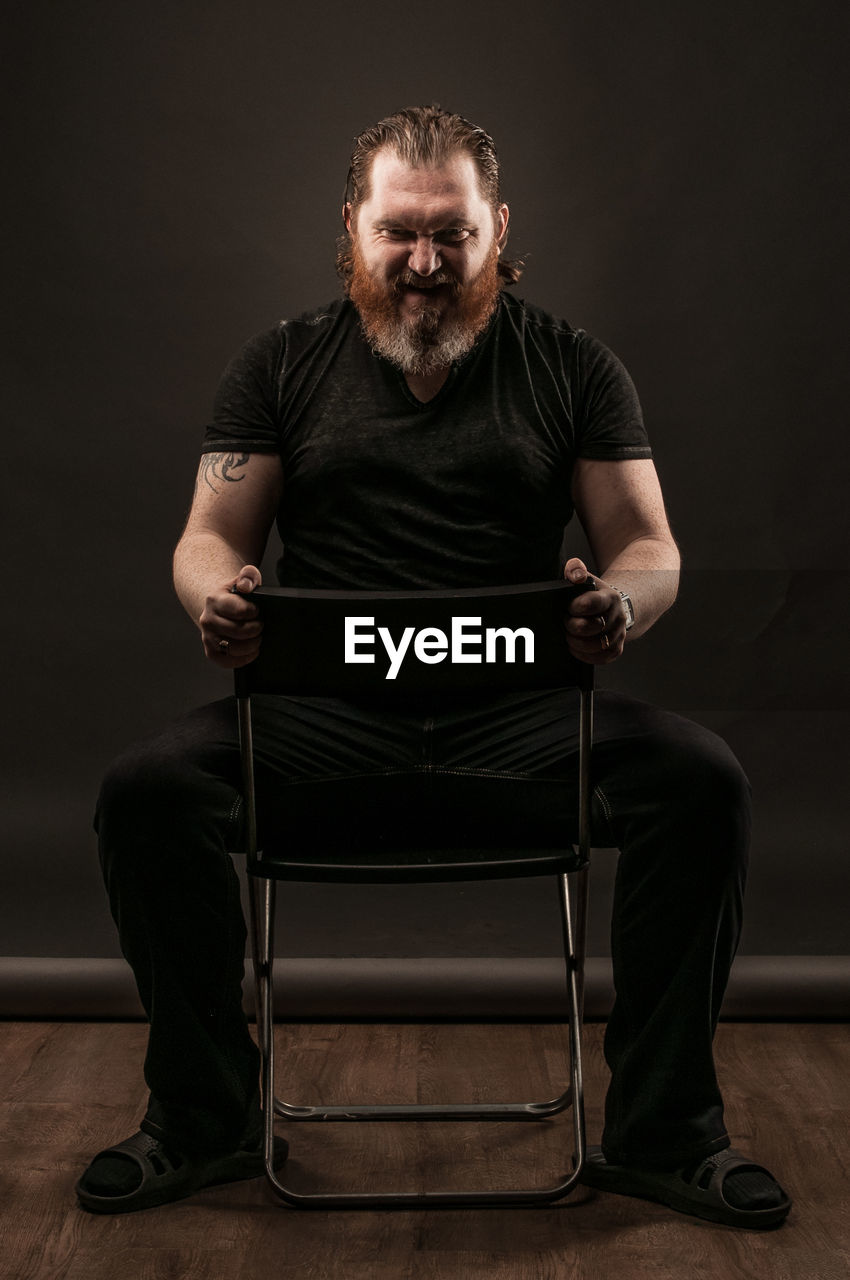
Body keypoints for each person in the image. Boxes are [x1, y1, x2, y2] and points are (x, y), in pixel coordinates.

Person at [76, 105, 790, 1227]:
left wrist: (619, 603)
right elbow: (208, 535)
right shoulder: (281, 361)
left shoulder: (571, 366)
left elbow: (648, 545)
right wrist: (213, 593)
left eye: (450, 233)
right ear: (352, 229)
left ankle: (666, 1133)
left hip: (518, 716)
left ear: (496, 227)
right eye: (398, 232)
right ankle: (204, 1116)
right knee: (146, 791)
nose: (423, 262)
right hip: (321, 720)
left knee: (700, 780)